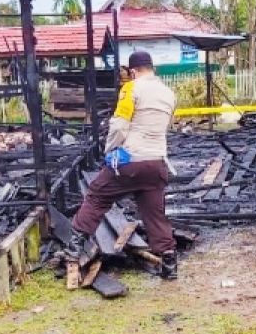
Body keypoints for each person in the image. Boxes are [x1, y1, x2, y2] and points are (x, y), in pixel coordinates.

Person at [66, 50, 180, 280]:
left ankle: (74, 248)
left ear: (133, 71)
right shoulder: (169, 93)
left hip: (130, 162)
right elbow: (166, 126)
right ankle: (169, 262)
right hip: (156, 163)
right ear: (152, 68)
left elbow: (119, 125)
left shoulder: (131, 88)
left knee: (97, 195)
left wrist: (110, 150)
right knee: (155, 214)